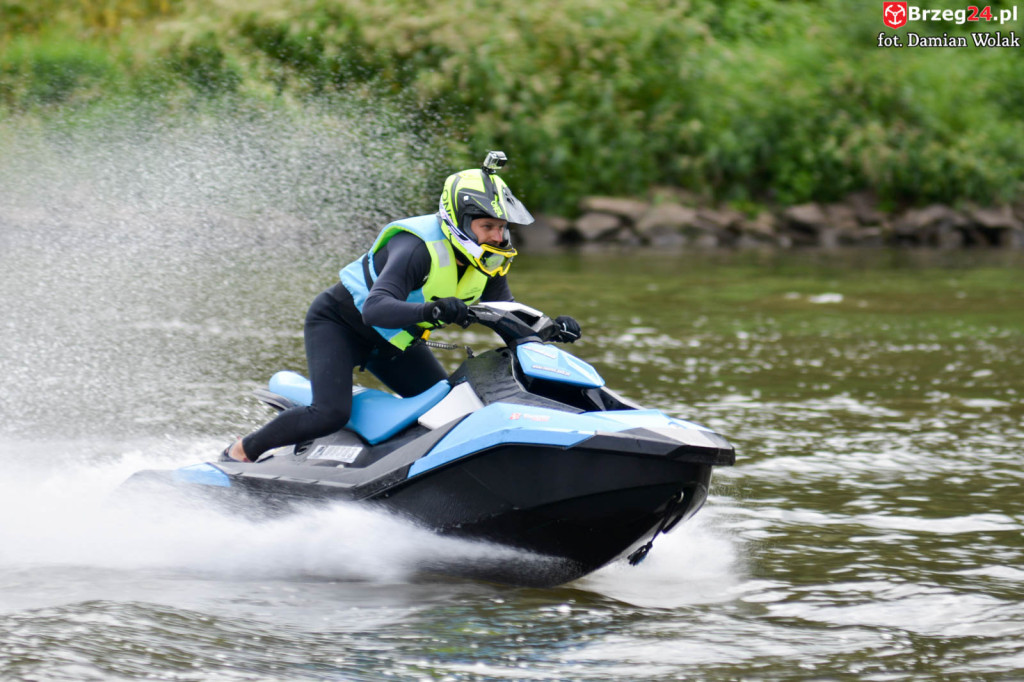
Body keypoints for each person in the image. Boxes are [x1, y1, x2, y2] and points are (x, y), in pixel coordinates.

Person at [222, 152, 582, 463]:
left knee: (447, 409)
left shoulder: (488, 263)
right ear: (458, 219)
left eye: (501, 228)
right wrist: (434, 311)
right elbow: (375, 309)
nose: (496, 236)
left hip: (396, 342)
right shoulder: (416, 247)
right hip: (340, 326)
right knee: (329, 413)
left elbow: (507, 315)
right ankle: (242, 451)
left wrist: (549, 329)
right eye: (487, 226)